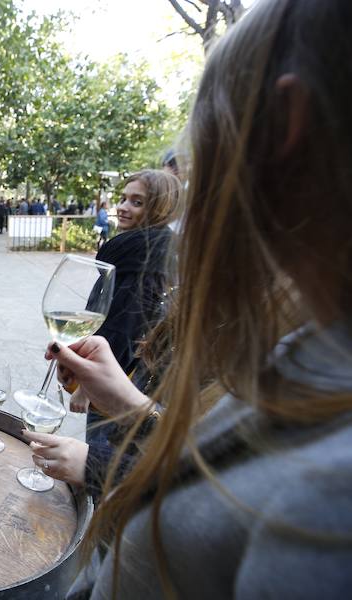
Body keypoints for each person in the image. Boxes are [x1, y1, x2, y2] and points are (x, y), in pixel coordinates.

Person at [25, 1, 352, 597]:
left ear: (285, 126)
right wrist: (128, 401)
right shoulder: (312, 349)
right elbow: (209, 457)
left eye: (204, 164)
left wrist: (98, 462)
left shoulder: (327, 506)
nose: (193, 206)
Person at [37, 170, 180, 500]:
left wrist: (85, 389)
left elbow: (126, 331)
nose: (124, 207)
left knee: (102, 469)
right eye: (124, 198)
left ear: (161, 208)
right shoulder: (140, 250)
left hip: (119, 385)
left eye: (138, 202)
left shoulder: (146, 260)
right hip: (126, 384)